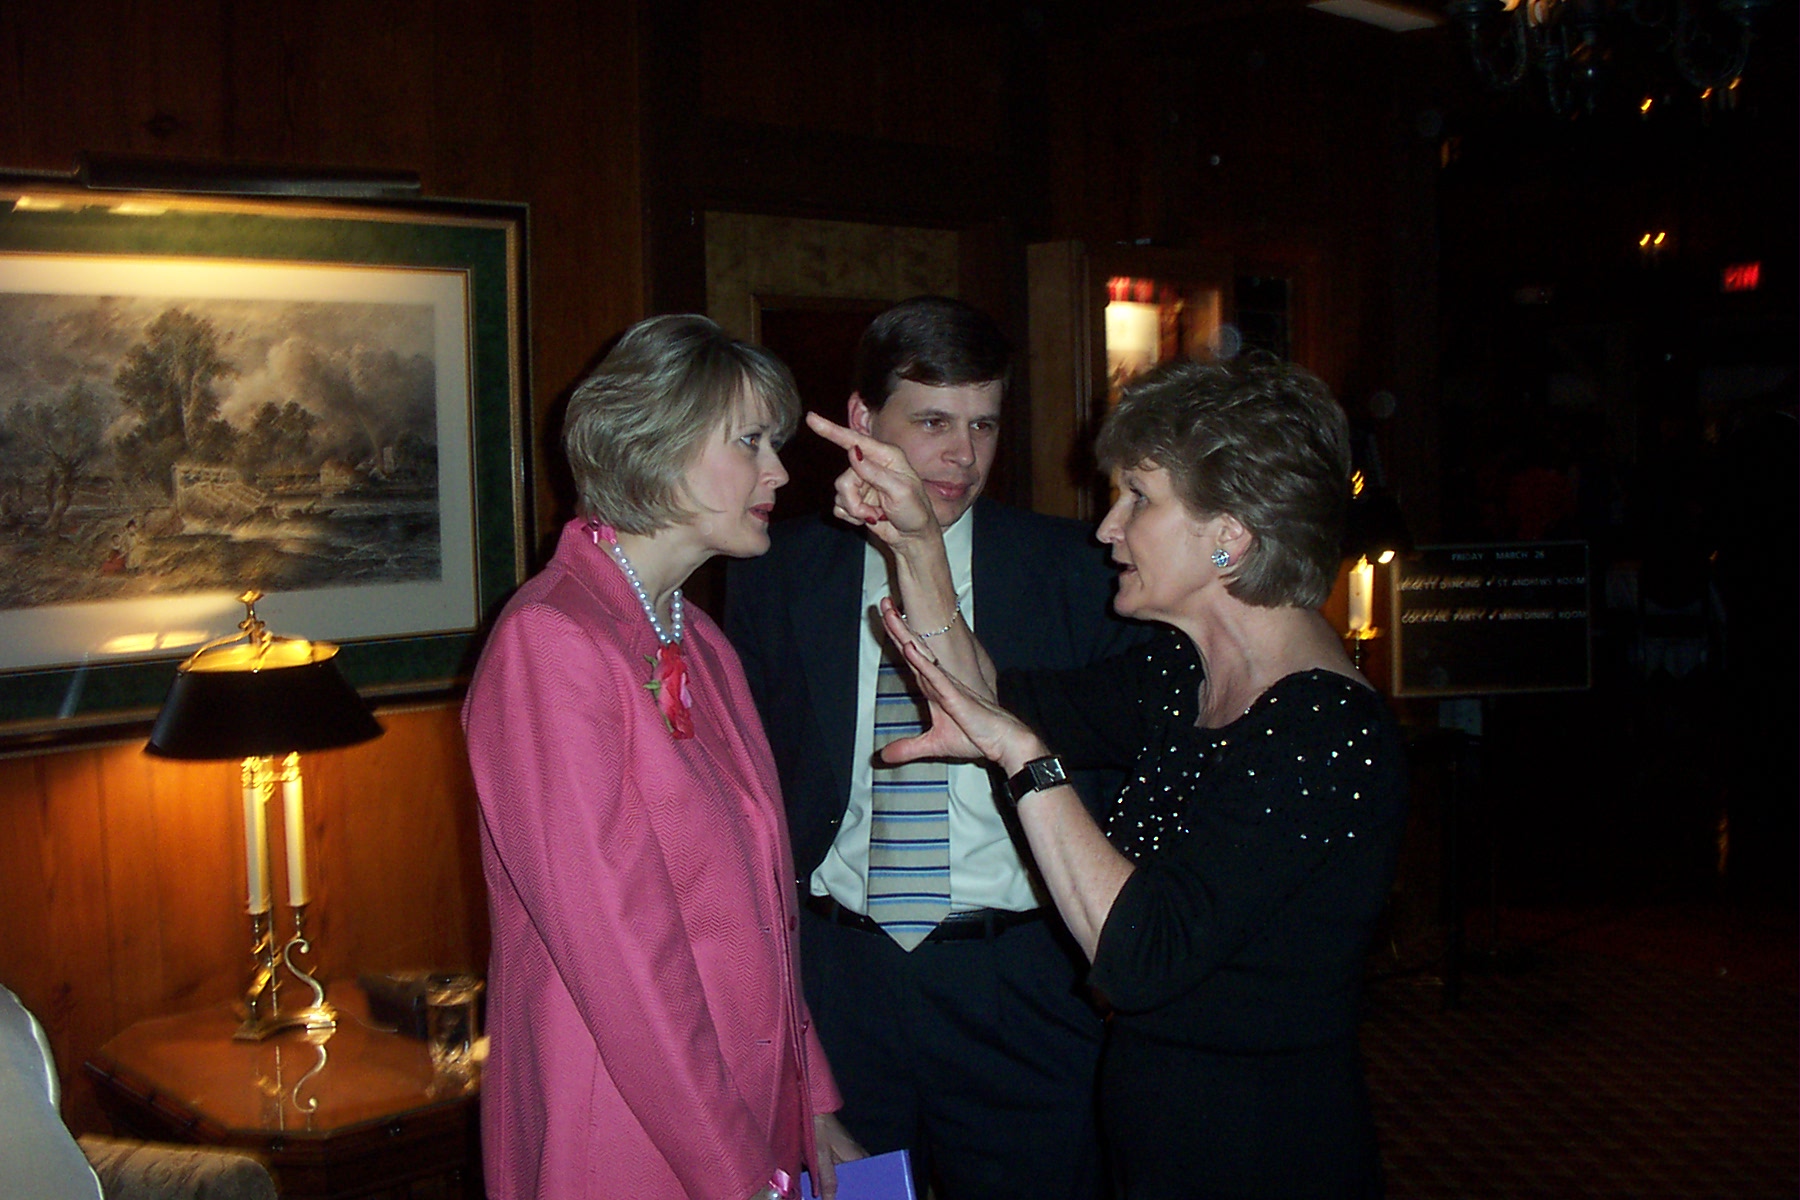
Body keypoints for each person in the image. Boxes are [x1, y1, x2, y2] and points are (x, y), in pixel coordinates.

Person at [815, 353, 1409, 1199]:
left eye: (1139, 498)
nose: (1107, 528)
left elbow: (1138, 953)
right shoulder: (1184, 673)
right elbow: (987, 700)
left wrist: (1028, 762)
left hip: (1258, 1147)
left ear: (1231, 534)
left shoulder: (1323, 728)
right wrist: (915, 541)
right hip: (1158, 1123)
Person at [725, 296, 1142, 1199]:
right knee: (862, 1191)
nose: (963, 455)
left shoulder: (1076, 570)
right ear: (863, 419)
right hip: (843, 981)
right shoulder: (778, 570)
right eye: (934, 423)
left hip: (1018, 981)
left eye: (983, 424)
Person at [463, 315, 861, 1200]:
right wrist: (737, 1173)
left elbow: (765, 915)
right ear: (657, 446)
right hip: (628, 1126)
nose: (779, 472)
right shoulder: (551, 642)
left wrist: (812, 1103)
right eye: (750, 442)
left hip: (742, 1108)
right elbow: (622, 957)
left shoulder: (700, 640)